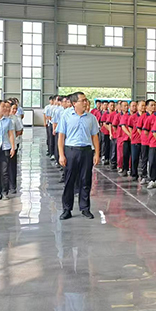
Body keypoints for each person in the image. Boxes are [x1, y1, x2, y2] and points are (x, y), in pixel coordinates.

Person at [57, 92, 100, 220]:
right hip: (71, 151)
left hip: (86, 151)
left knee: (85, 180)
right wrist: (61, 155)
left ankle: (85, 208)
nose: (86, 102)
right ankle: (67, 209)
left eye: (86, 100)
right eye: (83, 100)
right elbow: (61, 136)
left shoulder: (91, 118)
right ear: (74, 103)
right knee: (69, 181)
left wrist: (97, 153)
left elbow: (95, 137)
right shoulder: (66, 116)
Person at [8, 102, 23, 194]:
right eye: (12, 108)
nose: (14, 110)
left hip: (13, 144)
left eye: (15, 109)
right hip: (4, 145)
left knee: (12, 166)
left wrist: (12, 138)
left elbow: (19, 131)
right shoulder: (3, 118)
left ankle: (12, 186)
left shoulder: (15, 118)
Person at [129, 100, 145, 181]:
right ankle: (134, 174)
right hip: (135, 140)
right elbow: (130, 128)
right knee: (135, 158)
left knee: (144, 159)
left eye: (144, 105)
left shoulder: (147, 116)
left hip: (145, 141)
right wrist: (132, 136)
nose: (143, 107)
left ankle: (144, 175)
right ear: (138, 106)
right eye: (142, 105)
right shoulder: (133, 117)